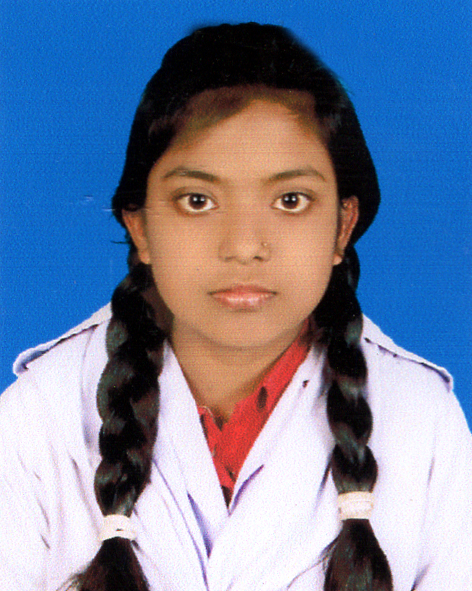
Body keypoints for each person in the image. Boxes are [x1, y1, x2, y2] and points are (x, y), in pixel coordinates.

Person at [0, 22, 471, 591]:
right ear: (140, 227)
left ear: (342, 225)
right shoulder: (38, 417)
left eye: (290, 200)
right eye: (198, 200)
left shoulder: (423, 419)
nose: (244, 246)